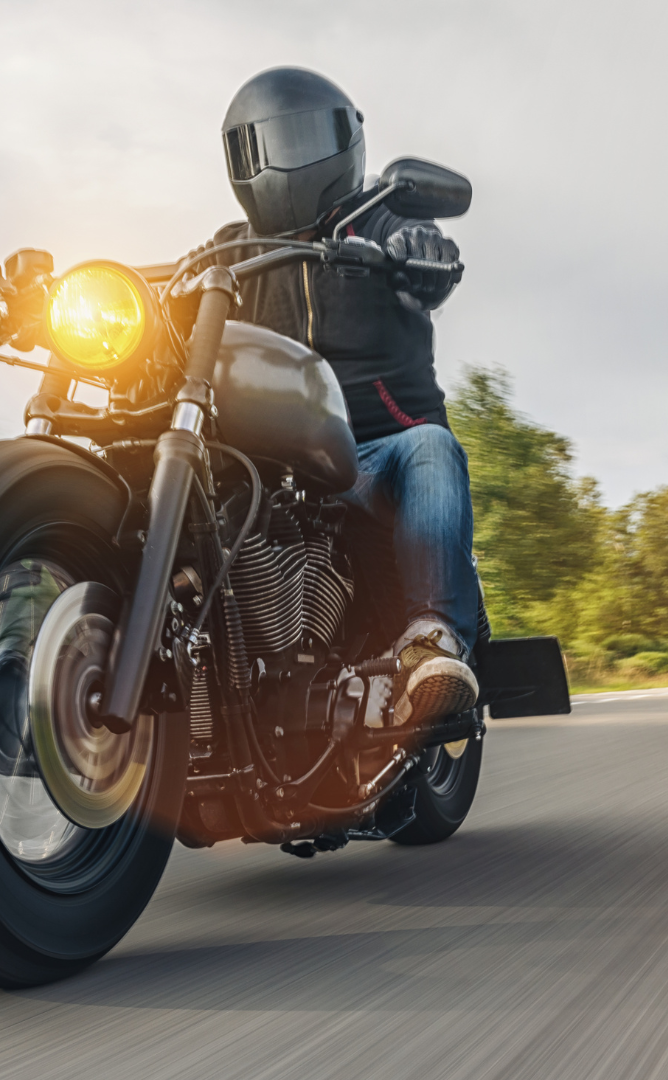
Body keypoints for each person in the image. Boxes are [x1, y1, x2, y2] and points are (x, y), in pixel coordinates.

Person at [189, 66, 477, 727]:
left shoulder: (382, 220)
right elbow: (170, 288)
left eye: (300, 141)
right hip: (273, 460)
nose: (282, 161)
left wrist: (423, 254)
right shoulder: (230, 250)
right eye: (267, 144)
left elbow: (434, 257)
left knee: (431, 447)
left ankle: (432, 643)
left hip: (378, 450)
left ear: (343, 142)